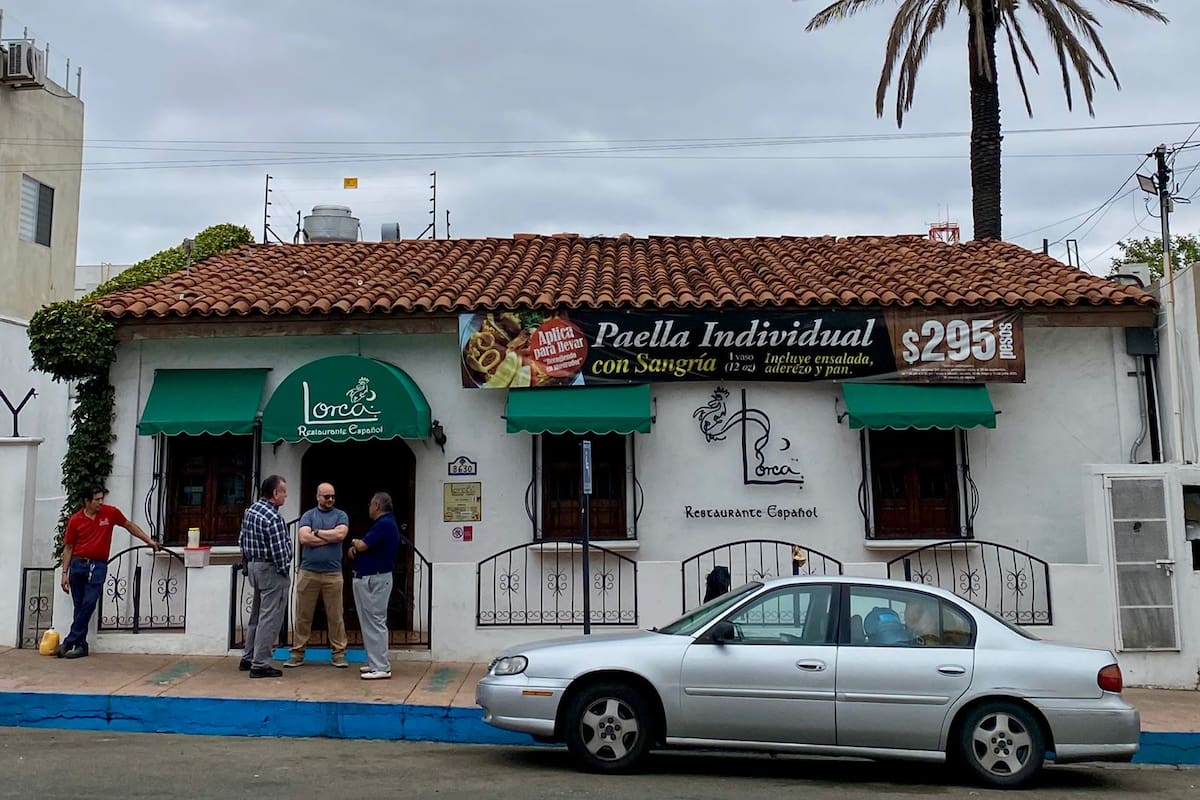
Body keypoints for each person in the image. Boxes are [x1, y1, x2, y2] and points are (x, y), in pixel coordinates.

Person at [58, 486, 161, 659]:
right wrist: (64, 572)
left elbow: (129, 526)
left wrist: (149, 540)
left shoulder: (110, 513)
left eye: (101, 498)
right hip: (78, 564)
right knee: (79, 605)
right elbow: (68, 547)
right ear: (87, 501)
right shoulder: (75, 520)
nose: (100, 502)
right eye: (97, 499)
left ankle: (69, 641)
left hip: (98, 564)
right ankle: (81, 646)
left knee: (90, 601)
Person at [285, 482, 350, 669]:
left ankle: (339, 654)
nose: (330, 499)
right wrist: (327, 539)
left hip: (333, 574)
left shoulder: (341, 515)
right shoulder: (308, 515)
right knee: (303, 615)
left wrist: (318, 533)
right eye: (326, 496)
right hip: (308, 572)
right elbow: (304, 538)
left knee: (336, 616)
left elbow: (341, 535)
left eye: (333, 496)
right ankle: (297, 653)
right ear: (318, 496)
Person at [238, 475, 292, 678]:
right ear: (275, 493)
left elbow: (242, 539)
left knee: (257, 614)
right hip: (271, 569)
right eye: (284, 491)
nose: (286, 495)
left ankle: (249, 656)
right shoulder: (273, 517)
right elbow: (279, 551)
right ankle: (260, 664)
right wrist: (285, 569)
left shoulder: (250, 511)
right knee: (269, 618)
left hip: (254, 565)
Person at [347, 492, 401, 680]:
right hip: (369, 577)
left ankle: (381, 667)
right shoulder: (383, 524)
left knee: (375, 622)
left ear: (377, 505)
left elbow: (362, 546)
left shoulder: (384, 524)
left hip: (375, 579)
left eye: (371, 503)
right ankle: (374, 662)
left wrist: (354, 541)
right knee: (368, 622)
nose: (369, 507)